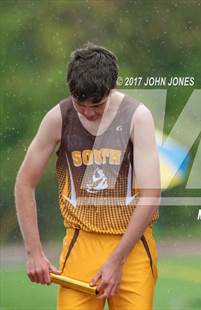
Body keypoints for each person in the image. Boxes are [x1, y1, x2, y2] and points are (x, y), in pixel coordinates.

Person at [15, 44, 160, 310]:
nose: (89, 112)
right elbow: (24, 183)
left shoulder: (137, 117)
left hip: (133, 246)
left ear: (113, 87)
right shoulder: (58, 117)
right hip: (81, 241)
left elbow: (151, 195)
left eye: (97, 105)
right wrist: (33, 252)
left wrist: (116, 260)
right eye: (80, 104)